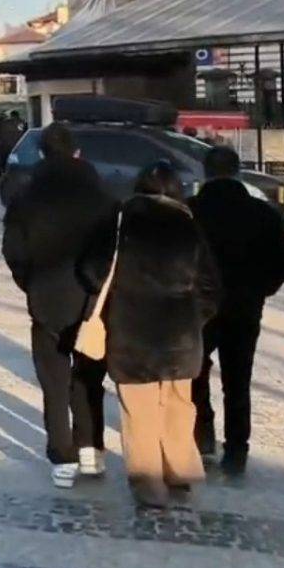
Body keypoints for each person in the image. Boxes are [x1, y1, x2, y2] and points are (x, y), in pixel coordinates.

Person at [85, 161, 220, 508]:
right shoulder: (188, 224)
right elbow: (210, 286)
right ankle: (180, 471)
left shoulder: (120, 222)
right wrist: (194, 317)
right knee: (178, 403)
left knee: (139, 409)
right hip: (180, 334)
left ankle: (148, 483)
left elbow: (92, 270)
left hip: (132, 331)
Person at [2, 122, 115, 489]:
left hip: (46, 297)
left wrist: (30, 282)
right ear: (77, 152)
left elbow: (13, 250)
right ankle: (91, 449)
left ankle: (62, 457)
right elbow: (112, 250)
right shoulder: (102, 195)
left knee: (53, 380)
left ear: (42, 153)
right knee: (89, 376)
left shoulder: (26, 196)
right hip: (92, 301)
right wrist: (98, 285)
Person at [187, 147, 284, 476]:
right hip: (245, 306)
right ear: (238, 172)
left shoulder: (189, 211)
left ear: (205, 172)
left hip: (197, 308)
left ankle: (202, 435)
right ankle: (236, 450)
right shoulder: (262, 214)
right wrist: (262, 289)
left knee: (194, 373)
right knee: (237, 380)